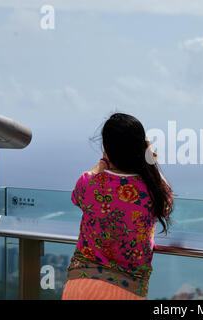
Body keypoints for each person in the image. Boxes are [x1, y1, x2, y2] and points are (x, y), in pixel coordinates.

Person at [62, 113, 173, 300]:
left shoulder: (89, 183)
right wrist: (150, 159)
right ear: (141, 148)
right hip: (127, 290)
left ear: (106, 148)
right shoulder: (153, 191)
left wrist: (101, 165)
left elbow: (77, 195)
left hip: (80, 286)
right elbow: (166, 202)